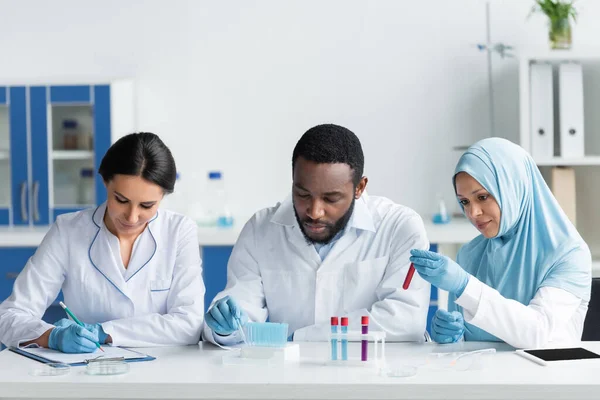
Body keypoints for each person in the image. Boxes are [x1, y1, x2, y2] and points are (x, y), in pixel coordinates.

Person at [203, 124, 431, 345]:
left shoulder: (399, 227)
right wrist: (224, 327)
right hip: (291, 378)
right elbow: (242, 314)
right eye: (302, 194)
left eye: (331, 199)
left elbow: (405, 321)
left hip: (375, 377)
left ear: (360, 187)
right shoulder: (261, 229)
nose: (314, 212)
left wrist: (301, 338)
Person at [0, 132, 205, 352]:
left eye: (147, 206)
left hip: (161, 371)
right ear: (105, 182)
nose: (132, 217)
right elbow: (9, 316)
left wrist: (105, 332)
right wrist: (52, 336)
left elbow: (189, 325)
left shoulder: (179, 231)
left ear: (163, 196)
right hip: (88, 370)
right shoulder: (68, 230)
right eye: (121, 200)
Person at [410, 138, 591, 349]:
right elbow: (464, 350)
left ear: (512, 188)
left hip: (546, 379)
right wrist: (450, 336)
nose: (473, 213)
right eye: (465, 202)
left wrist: (465, 285)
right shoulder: (470, 254)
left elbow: (537, 332)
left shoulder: (569, 254)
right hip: (482, 380)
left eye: (483, 197)